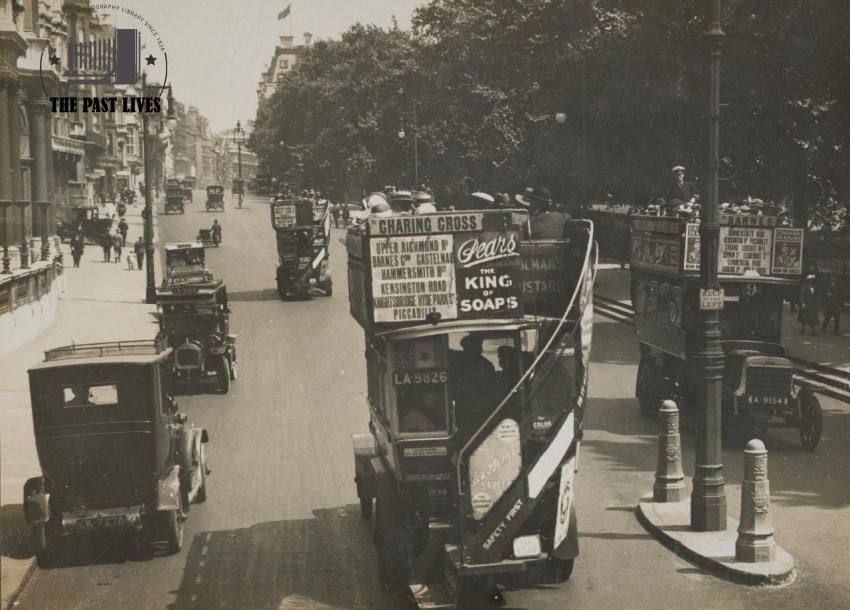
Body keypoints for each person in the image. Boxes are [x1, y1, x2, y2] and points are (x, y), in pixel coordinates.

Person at [449, 334, 498, 441]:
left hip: (475, 408)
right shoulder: (484, 364)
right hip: (471, 407)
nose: (480, 347)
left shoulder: (484, 364)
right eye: (478, 345)